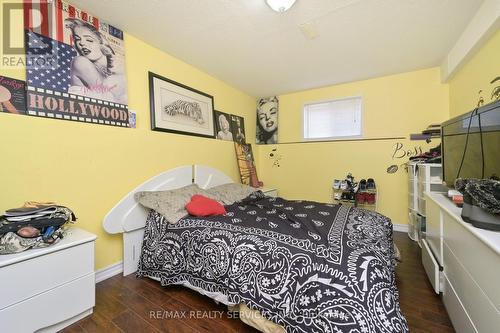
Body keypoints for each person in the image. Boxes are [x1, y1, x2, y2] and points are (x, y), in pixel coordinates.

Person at [65, 18, 127, 104]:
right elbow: (108, 99)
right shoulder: (80, 62)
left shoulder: (113, 69)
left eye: (89, 40)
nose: (81, 43)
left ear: (101, 42)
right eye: (77, 39)